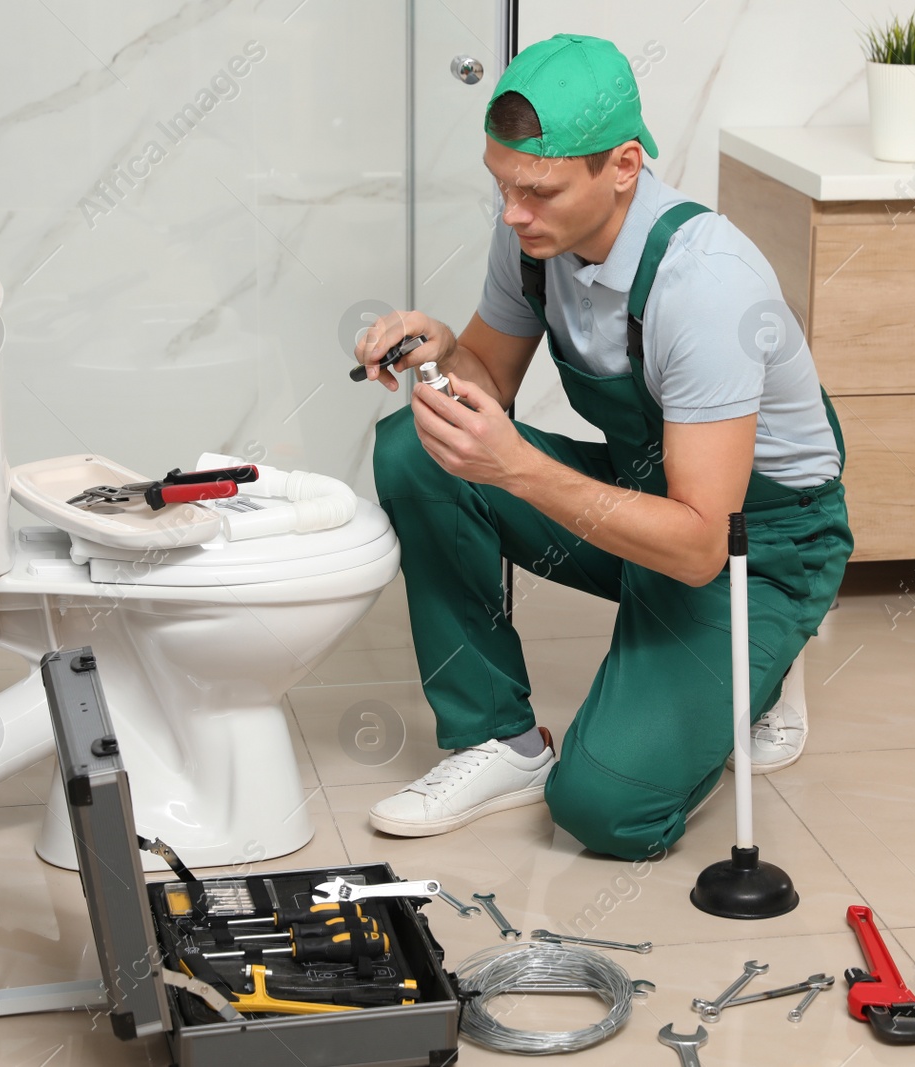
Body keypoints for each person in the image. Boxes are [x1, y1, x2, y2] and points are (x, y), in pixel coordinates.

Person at [354, 33, 852, 861]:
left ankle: (768, 648)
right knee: (418, 444)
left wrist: (518, 466)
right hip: (643, 501)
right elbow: (491, 387)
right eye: (502, 185)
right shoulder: (535, 237)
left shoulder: (707, 285)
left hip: (748, 549)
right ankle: (498, 739)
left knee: (600, 809)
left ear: (623, 166)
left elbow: (698, 545)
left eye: (539, 191)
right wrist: (440, 348)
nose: (513, 212)